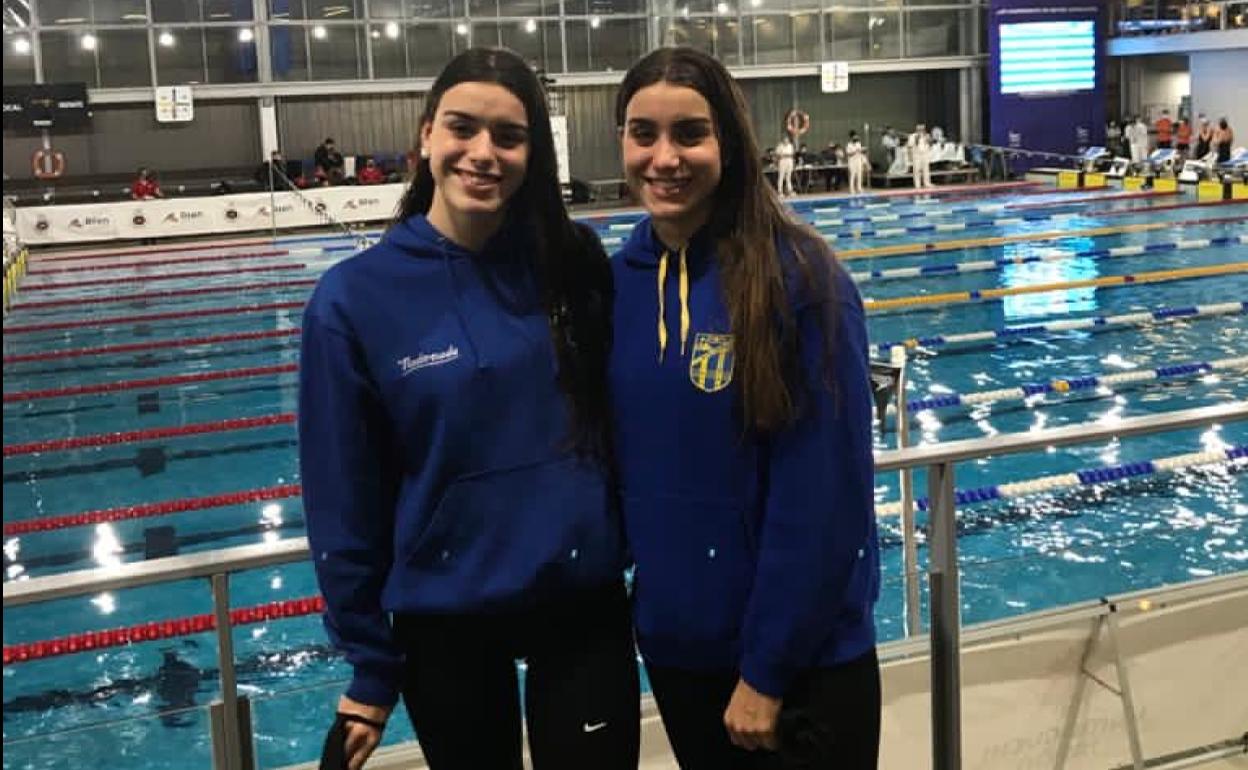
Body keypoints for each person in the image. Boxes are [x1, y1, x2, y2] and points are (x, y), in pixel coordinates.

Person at [300, 47, 640, 770]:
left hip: (581, 604)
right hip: (444, 616)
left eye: (508, 137)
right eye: (462, 128)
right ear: (426, 136)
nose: (483, 153)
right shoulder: (354, 299)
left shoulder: (573, 261)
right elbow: (342, 494)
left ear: (532, 153)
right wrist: (368, 663)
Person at [611, 47, 881, 770]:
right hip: (679, 655)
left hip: (800, 669)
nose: (664, 157)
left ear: (728, 142)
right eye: (644, 134)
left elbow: (826, 496)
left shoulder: (801, 278)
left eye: (689, 134)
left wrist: (767, 668)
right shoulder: (617, 286)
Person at [908, 122, 933, 189]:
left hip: (925, 154)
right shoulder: (912, 136)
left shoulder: (927, 135)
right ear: (917, 129)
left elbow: (931, 144)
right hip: (916, 155)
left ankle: (927, 183)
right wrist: (910, 156)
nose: (921, 130)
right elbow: (910, 146)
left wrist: (929, 139)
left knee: (926, 169)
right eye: (920, 129)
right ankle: (917, 184)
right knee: (916, 170)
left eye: (922, 129)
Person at [846, 130, 868, 195]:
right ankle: (851, 189)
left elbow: (860, 152)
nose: (856, 137)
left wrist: (863, 150)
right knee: (853, 175)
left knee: (859, 175)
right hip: (852, 162)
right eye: (854, 136)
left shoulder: (858, 143)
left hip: (858, 160)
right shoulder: (849, 145)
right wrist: (855, 151)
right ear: (851, 137)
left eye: (856, 136)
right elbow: (848, 154)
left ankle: (859, 188)